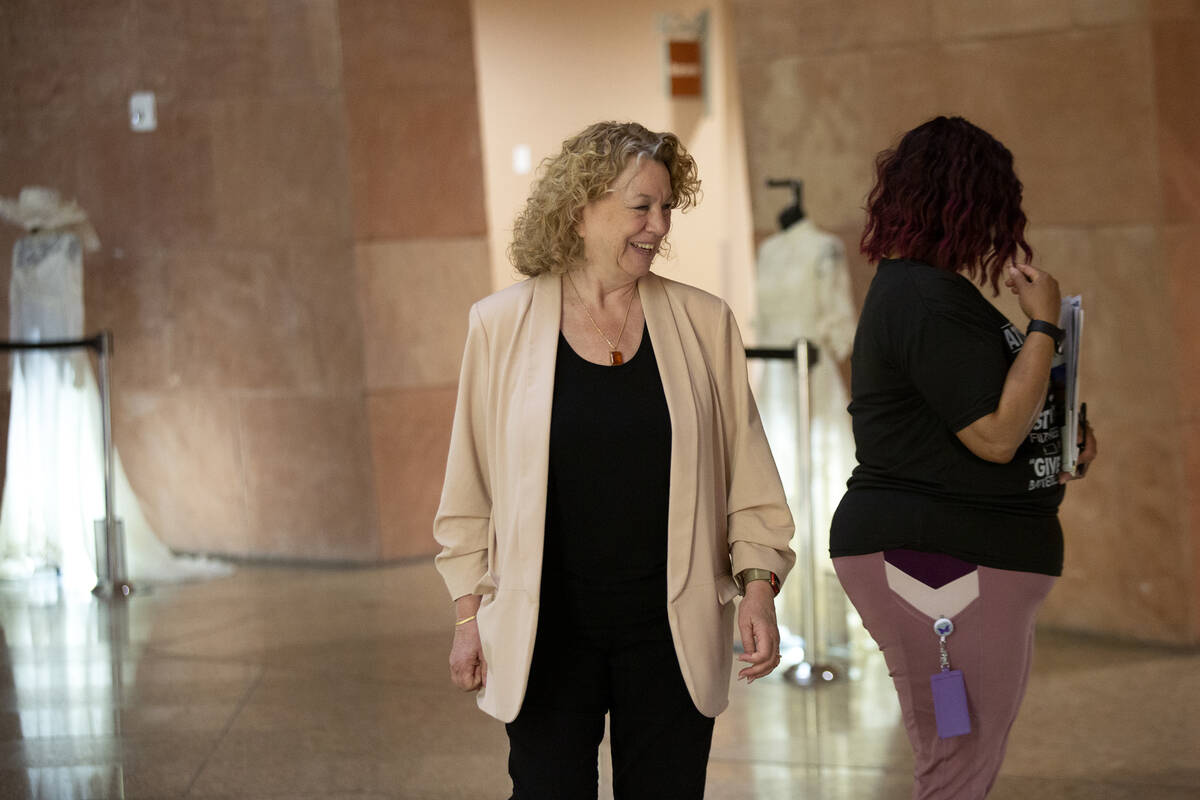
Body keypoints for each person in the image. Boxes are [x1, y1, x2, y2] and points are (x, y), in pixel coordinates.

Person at [433, 121, 795, 799]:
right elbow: (468, 494)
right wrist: (465, 619)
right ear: (580, 208)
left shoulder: (704, 323)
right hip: (545, 635)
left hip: (670, 632)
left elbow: (750, 483)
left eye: (666, 207)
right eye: (641, 206)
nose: (659, 226)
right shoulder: (499, 326)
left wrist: (757, 585)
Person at [829, 116, 1098, 799]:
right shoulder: (922, 299)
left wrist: (1063, 437)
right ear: (967, 201)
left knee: (965, 758)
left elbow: (1005, 419)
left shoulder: (939, 298)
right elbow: (994, 436)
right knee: (955, 764)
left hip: (962, 564)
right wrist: (1041, 324)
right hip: (938, 567)